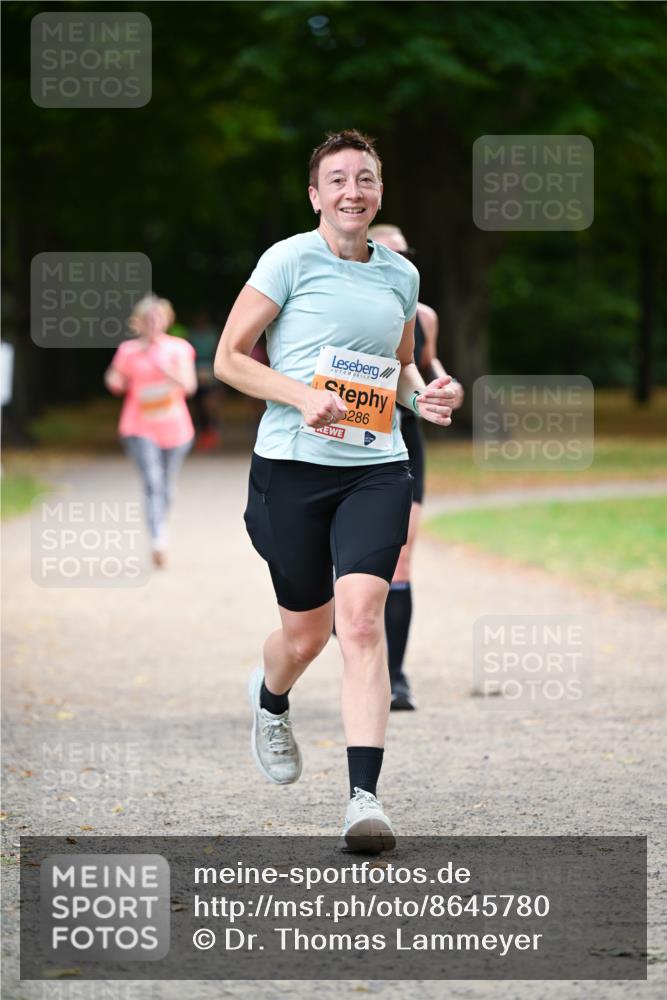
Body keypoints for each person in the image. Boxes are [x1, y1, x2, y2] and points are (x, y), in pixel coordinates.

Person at [214, 130, 458, 852]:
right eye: (338, 180)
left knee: (359, 622)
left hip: (375, 467)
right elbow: (229, 359)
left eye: (366, 179)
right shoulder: (288, 259)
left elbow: (402, 367)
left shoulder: (399, 276)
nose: (353, 191)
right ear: (316, 195)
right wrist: (297, 396)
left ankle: (363, 800)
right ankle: (270, 698)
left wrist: (427, 399)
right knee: (305, 635)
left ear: (379, 191)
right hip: (291, 469)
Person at [368, 225, 465, 710]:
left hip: (404, 441)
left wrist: (449, 389)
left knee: (402, 558)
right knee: (354, 571)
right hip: (350, 441)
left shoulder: (422, 314)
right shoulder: (342, 308)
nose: (398, 263)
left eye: (405, 254)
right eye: (386, 253)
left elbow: (426, 365)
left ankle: (396, 676)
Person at [104, 294, 197, 568]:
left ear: (167, 320)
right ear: (139, 322)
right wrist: (115, 379)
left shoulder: (179, 348)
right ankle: (158, 539)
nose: (153, 323)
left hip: (176, 428)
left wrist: (165, 369)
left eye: (158, 317)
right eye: (148, 318)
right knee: (153, 483)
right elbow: (114, 379)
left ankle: (161, 528)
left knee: (166, 487)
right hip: (138, 426)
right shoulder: (128, 350)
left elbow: (190, 386)